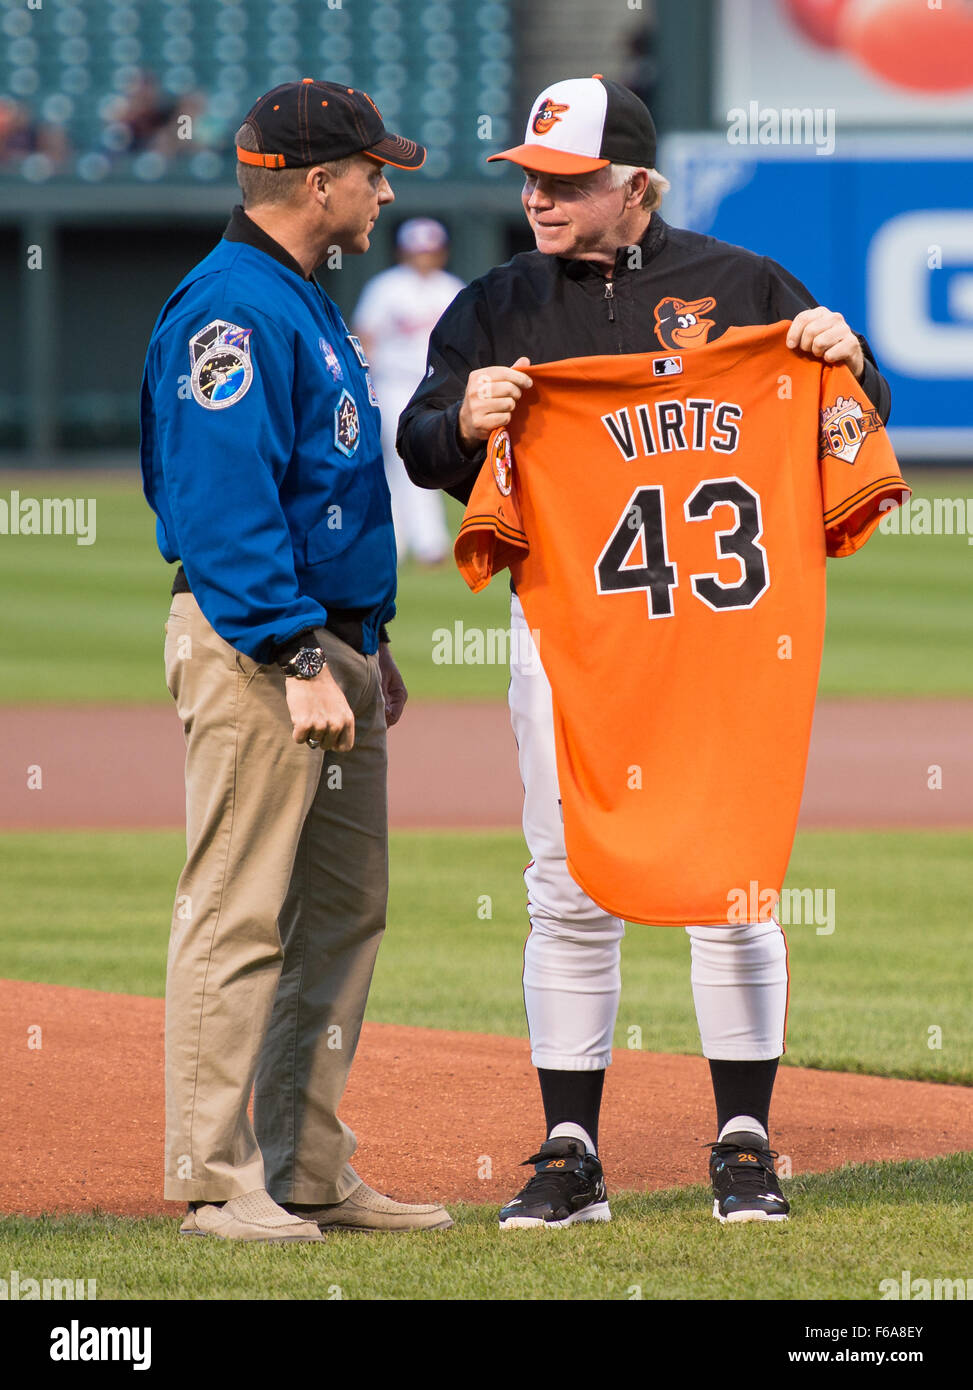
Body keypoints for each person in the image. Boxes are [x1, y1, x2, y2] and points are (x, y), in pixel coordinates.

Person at [398, 74, 894, 1229]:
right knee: (565, 886)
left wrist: (848, 356)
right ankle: (570, 1152)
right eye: (530, 176)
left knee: (732, 883)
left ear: (639, 185)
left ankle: (743, 1142)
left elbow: (849, 420)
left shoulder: (744, 288)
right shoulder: (498, 304)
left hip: (721, 647)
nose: (540, 196)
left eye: (569, 181)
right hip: (568, 640)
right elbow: (421, 444)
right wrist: (459, 419)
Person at [140, 79, 451, 1241]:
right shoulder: (233, 308)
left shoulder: (301, 298)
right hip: (259, 645)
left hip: (331, 644)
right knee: (239, 909)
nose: (384, 186)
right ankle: (218, 1178)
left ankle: (308, 1165)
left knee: (339, 913)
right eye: (374, 170)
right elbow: (225, 506)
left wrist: (368, 642)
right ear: (316, 183)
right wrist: (292, 651)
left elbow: (317, 490)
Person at [353, 218, 465, 565]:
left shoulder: (452, 288)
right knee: (398, 459)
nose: (424, 257)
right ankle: (416, 542)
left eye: (430, 250)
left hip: (436, 385)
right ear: (404, 251)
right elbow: (365, 337)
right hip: (393, 382)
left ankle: (414, 541)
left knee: (427, 459)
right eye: (418, 250)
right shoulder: (386, 287)